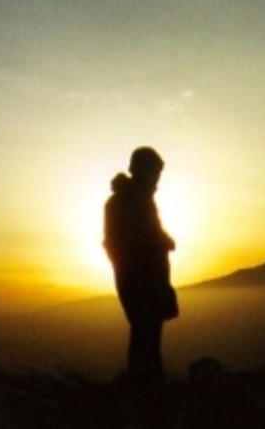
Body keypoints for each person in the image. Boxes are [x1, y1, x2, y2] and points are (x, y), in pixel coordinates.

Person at [103, 146, 178, 391]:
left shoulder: (134, 200)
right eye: (155, 172)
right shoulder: (132, 201)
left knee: (144, 336)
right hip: (142, 281)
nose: (158, 178)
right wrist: (160, 244)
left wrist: (162, 240)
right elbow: (128, 241)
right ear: (143, 171)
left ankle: (146, 389)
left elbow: (133, 237)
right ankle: (148, 394)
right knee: (146, 337)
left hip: (138, 279)